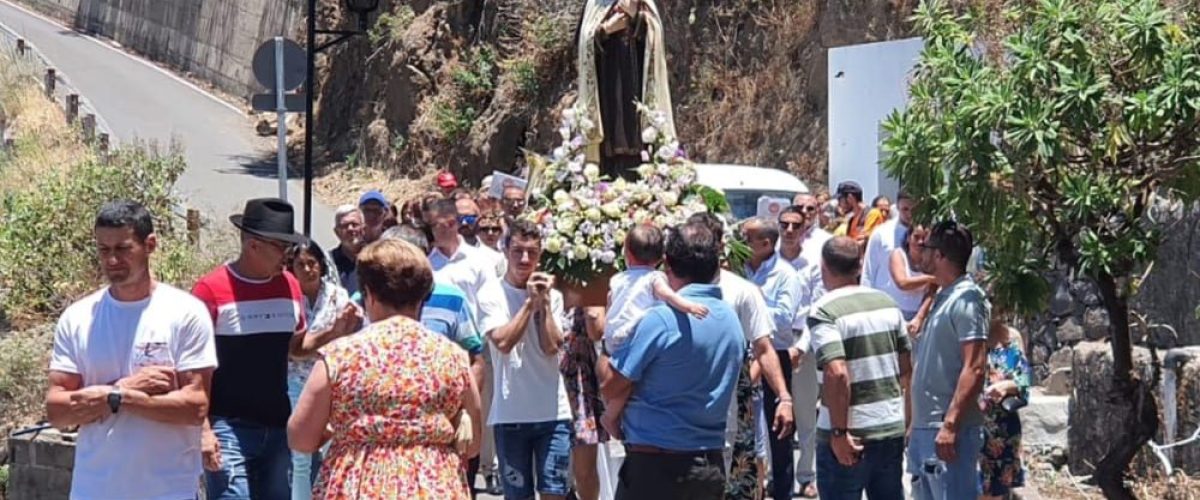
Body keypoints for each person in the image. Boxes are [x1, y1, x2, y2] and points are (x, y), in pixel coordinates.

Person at [45, 200, 217, 499]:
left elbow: (195, 406)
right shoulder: (78, 317)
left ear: (149, 245)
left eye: (123, 249)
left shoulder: (185, 312)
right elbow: (57, 411)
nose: (112, 260)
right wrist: (121, 391)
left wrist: (117, 399)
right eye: (103, 250)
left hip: (168, 489)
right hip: (94, 488)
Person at [288, 238, 482, 499]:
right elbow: (474, 443)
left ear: (368, 293)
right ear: (423, 294)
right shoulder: (453, 357)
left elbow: (301, 438)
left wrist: (340, 429)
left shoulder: (340, 356)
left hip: (358, 484)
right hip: (435, 485)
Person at [192, 198, 343, 500]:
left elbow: (294, 349)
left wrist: (334, 333)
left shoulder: (289, 285)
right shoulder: (210, 290)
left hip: (277, 425)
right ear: (253, 246)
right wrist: (203, 429)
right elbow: (194, 369)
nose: (288, 257)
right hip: (228, 426)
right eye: (281, 248)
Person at [598, 222, 745, 499]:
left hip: (655, 468)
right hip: (707, 466)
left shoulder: (661, 320)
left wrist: (609, 339)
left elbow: (610, 385)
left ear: (667, 264)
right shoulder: (731, 320)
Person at [684, 212, 793, 500]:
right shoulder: (670, 289)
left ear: (720, 245)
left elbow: (764, 347)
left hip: (733, 400)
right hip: (680, 404)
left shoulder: (743, 291)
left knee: (736, 481)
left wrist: (784, 397)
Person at [808, 237, 912, 500]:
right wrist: (905, 420)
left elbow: (837, 372)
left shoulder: (824, 310)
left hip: (851, 432)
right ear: (859, 266)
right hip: (889, 426)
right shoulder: (887, 303)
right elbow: (906, 369)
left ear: (824, 267)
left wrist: (839, 432)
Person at [487, 219, 573, 500]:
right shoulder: (491, 293)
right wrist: (528, 304)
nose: (525, 259)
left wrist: (544, 304)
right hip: (511, 415)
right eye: (518, 251)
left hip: (553, 413)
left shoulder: (554, 297)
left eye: (532, 253)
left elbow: (552, 346)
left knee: (555, 493)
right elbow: (503, 342)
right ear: (505, 250)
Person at [909, 220, 990, 500]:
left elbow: (975, 366)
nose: (920, 251)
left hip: (948, 431)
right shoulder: (944, 295)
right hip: (926, 427)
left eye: (926, 247)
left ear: (940, 255)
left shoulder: (968, 299)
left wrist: (951, 424)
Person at [284, 240, 357, 500]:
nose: (307, 269)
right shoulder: (288, 296)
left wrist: (325, 339)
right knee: (301, 457)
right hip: (296, 381)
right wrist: (333, 333)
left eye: (311, 263)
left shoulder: (338, 296)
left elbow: (347, 336)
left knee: (331, 448)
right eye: (300, 264)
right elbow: (295, 349)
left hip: (331, 380)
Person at [740, 216, 800, 500]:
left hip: (773, 355)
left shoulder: (785, 275)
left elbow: (785, 318)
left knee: (779, 432)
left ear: (764, 244)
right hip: (742, 354)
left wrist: (752, 302)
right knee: (747, 429)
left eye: (745, 239)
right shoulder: (737, 268)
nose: (739, 243)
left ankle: (783, 492)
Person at [777, 199, 830, 498]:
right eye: (784, 225)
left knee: (806, 414)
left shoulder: (812, 266)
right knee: (772, 413)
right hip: (772, 346)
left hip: (802, 344)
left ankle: (806, 476)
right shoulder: (769, 264)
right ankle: (775, 475)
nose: (789, 230)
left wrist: (802, 345)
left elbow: (816, 308)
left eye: (796, 226)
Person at [603, 224, 708, 353]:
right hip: (634, 333)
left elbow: (610, 302)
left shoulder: (618, 278)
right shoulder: (654, 277)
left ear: (627, 254)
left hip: (612, 335)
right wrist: (689, 307)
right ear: (660, 258)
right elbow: (668, 295)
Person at [980, 305, 1032, 500]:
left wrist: (1004, 387)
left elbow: (1023, 382)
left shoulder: (1011, 339)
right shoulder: (971, 336)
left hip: (1003, 425)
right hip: (975, 423)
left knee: (997, 490)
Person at [560, 306, 608, 500]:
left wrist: (588, 304)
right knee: (551, 473)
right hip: (547, 381)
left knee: (584, 472)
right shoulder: (540, 286)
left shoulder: (589, 288)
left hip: (580, 384)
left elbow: (597, 333)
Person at [863, 191, 919, 309]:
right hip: (887, 306)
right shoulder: (881, 233)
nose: (910, 214)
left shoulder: (929, 234)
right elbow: (869, 271)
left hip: (918, 306)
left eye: (914, 209)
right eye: (905, 209)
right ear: (897, 207)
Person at [888, 224, 937, 333]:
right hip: (897, 314)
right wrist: (930, 278)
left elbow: (931, 292)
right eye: (916, 237)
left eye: (924, 238)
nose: (920, 242)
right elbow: (903, 283)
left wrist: (919, 317)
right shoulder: (898, 254)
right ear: (908, 238)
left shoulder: (932, 261)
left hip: (921, 315)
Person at [329, 205, 364, 294]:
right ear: (337, 232)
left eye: (354, 224)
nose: (350, 229)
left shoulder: (374, 258)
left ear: (363, 228)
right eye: (344, 225)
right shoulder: (327, 261)